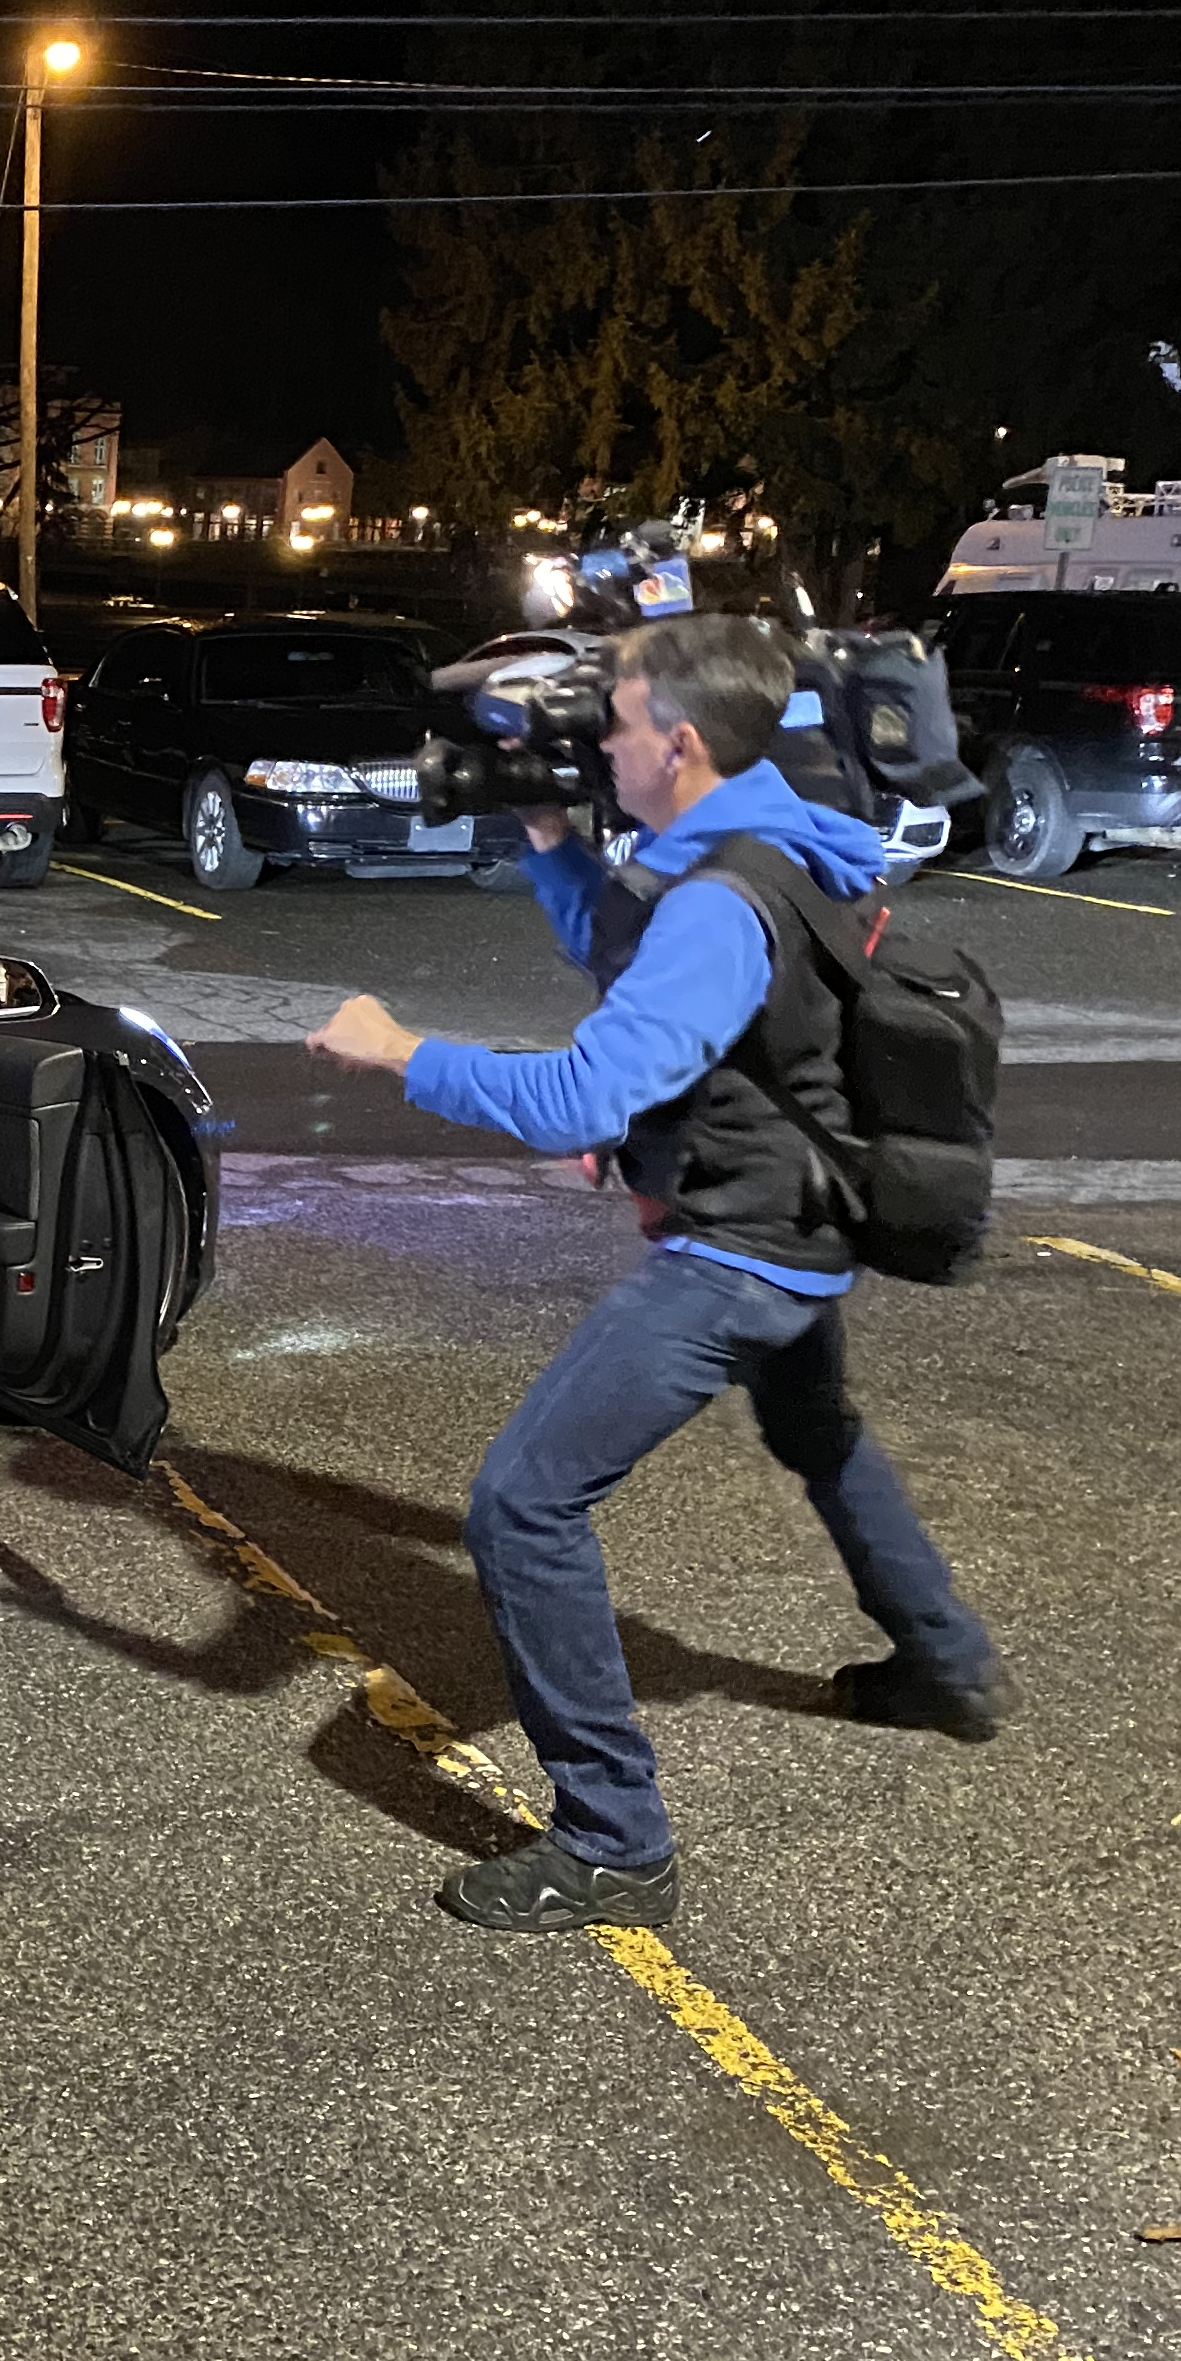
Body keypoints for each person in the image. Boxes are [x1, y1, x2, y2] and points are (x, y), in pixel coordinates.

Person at [305, 613, 1009, 1934]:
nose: (599, 741)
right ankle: (945, 1666)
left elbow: (585, 1090)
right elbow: (635, 967)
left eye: (616, 723)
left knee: (521, 1502)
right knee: (822, 1437)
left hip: (741, 1250)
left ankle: (614, 1840)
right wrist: (552, 840)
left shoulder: (719, 904)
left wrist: (401, 1051)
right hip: (803, 1219)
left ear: (679, 743)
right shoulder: (771, 835)